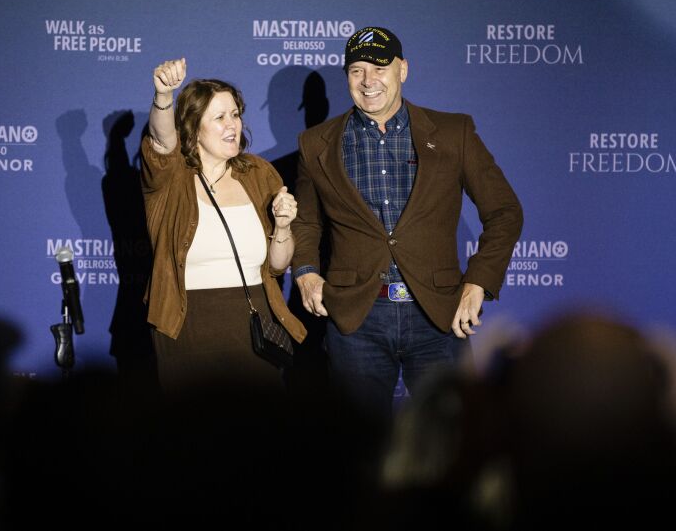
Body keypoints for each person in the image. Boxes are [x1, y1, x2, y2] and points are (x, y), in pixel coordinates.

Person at [291, 26, 522, 420]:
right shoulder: (316, 143)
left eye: (380, 68)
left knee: (453, 441)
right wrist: (307, 271)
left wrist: (478, 281)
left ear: (403, 70)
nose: (368, 81)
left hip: (437, 315)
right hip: (355, 319)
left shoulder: (453, 133)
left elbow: (504, 212)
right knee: (357, 447)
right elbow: (307, 222)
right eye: (357, 70)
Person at [141, 57, 306, 394]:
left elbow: (277, 265)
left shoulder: (259, 173)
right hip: (185, 325)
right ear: (192, 126)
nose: (233, 124)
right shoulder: (171, 176)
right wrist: (163, 96)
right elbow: (161, 142)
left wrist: (284, 226)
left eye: (236, 114)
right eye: (219, 117)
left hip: (251, 323)